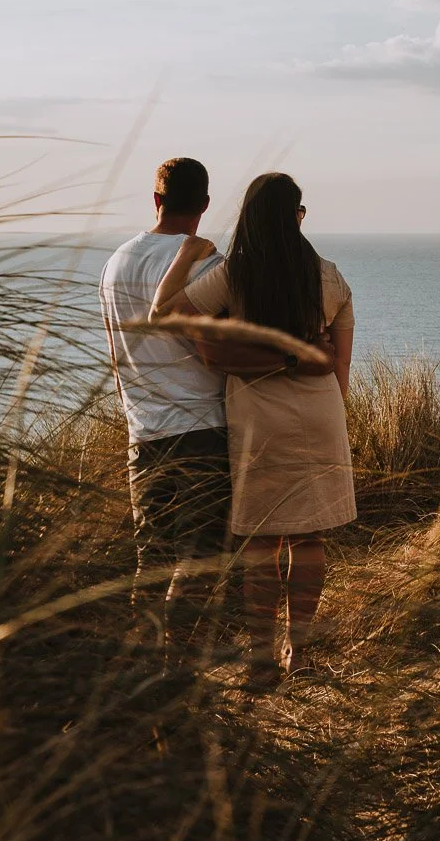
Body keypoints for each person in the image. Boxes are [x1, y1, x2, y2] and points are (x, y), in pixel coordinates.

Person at [150, 172, 356, 685]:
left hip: (260, 417)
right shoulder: (329, 276)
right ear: (296, 215)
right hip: (320, 415)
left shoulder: (236, 275)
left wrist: (186, 262)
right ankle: (300, 654)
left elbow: (170, 316)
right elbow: (339, 369)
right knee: (309, 540)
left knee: (262, 543)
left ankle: (262, 658)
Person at [100, 157, 242, 646]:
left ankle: (148, 664)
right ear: (204, 204)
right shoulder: (209, 263)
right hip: (205, 426)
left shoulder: (116, 262)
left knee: (151, 558)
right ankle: (176, 662)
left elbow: (115, 351)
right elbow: (219, 351)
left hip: (144, 432)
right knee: (202, 557)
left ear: (156, 199)